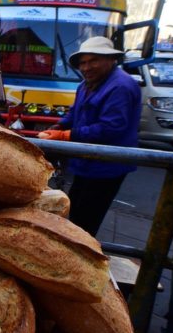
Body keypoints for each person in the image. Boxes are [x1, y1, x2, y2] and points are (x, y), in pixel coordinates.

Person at [38, 36, 142, 237]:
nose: (86, 67)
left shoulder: (121, 86)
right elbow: (74, 113)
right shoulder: (86, 85)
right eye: (83, 63)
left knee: (87, 219)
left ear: (110, 60)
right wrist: (60, 125)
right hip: (86, 162)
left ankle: (80, 254)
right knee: (75, 210)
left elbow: (111, 128)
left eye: (93, 61)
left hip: (107, 166)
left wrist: (66, 135)